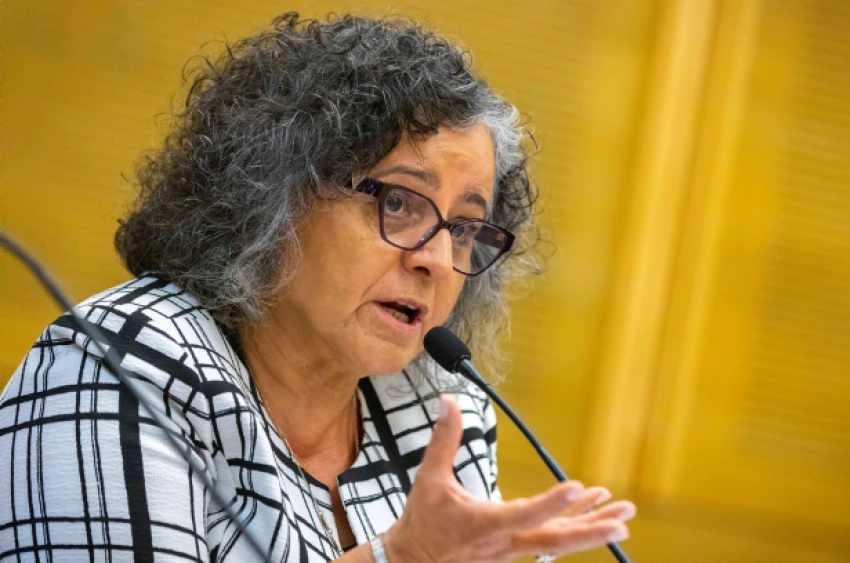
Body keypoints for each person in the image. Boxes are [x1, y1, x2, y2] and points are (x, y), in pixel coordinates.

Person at [0, 13, 634, 563]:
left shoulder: (439, 411)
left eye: (464, 228)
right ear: (272, 195)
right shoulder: (126, 364)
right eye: (399, 202)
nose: (438, 261)